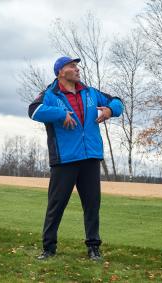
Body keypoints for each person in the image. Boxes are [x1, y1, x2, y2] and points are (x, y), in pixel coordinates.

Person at [28, 56, 123, 261]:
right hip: (65, 159)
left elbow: (118, 102)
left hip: (90, 157)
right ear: (61, 72)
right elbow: (33, 110)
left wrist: (109, 110)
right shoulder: (50, 94)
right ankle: (49, 248)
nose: (77, 69)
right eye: (72, 66)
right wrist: (60, 114)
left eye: (77, 66)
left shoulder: (90, 92)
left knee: (92, 205)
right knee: (56, 205)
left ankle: (93, 248)